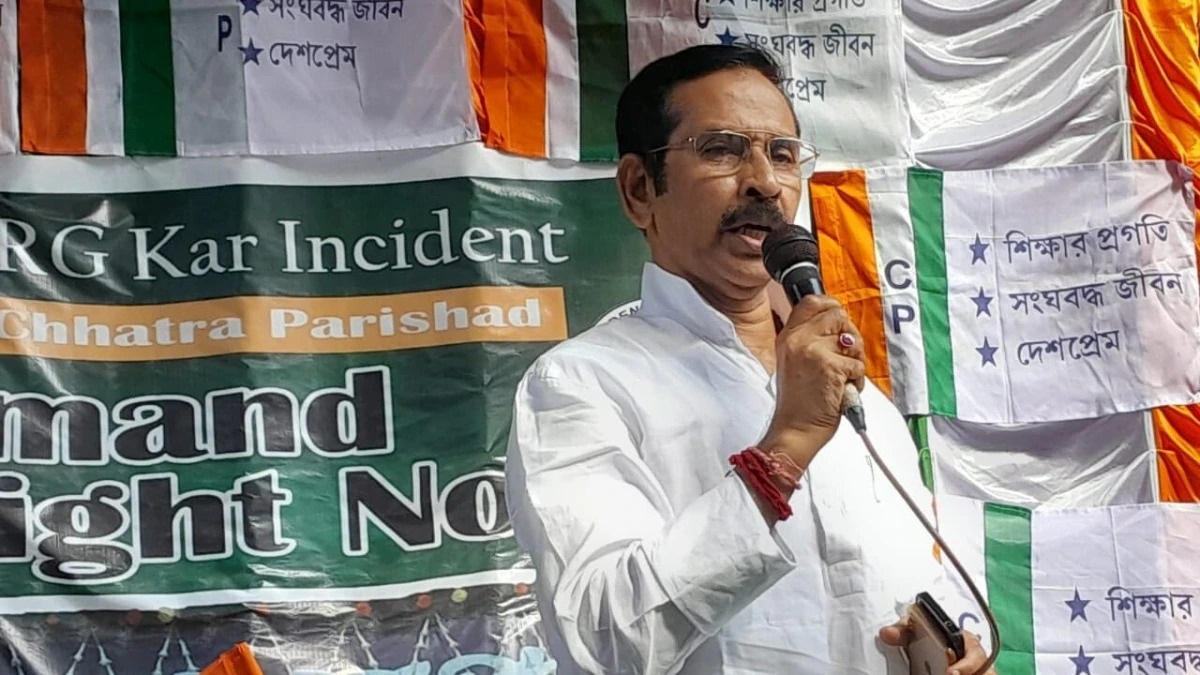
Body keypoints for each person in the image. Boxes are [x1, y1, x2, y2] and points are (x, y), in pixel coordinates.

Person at [504, 43, 996, 675]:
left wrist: (955, 647)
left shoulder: (856, 398)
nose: (765, 182)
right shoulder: (582, 383)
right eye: (721, 149)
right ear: (639, 189)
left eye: (783, 154)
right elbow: (605, 643)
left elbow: (913, 580)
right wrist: (783, 451)